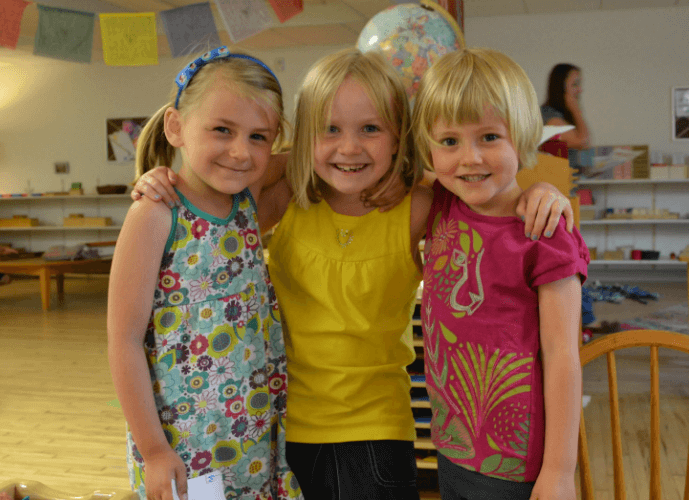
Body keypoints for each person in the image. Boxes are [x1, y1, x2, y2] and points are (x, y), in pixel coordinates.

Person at [131, 47, 575, 499]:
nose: (349, 147)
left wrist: (542, 191)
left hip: (378, 434)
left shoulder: (418, 205)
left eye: (370, 129)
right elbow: (226, 172)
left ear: (399, 136)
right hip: (278, 433)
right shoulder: (285, 197)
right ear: (305, 138)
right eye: (330, 130)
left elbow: (483, 188)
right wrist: (163, 177)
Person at [107, 46, 301, 500]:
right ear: (175, 127)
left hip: (254, 437)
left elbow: (312, 159)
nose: (240, 151)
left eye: (259, 136)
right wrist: (154, 451)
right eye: (222, 130)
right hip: (184, 445)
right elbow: (123, 339)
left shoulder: (246, 201)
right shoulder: (156, 214)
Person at [412, 47, 589, 500]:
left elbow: (564, 358)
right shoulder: (444, 202)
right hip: (450, 447)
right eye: (449, 142)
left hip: (517, 467)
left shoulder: (546, 233)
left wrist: (560, 471)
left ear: (522, 135)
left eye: (489, 137)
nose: (469, 158)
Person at [541, 63, 590, 151]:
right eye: (575, 84)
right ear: (561, 87)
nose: (580, 90)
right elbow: (582, 143)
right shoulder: (550, 115)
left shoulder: (563, 114)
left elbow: (586, 146)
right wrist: (576, 111)